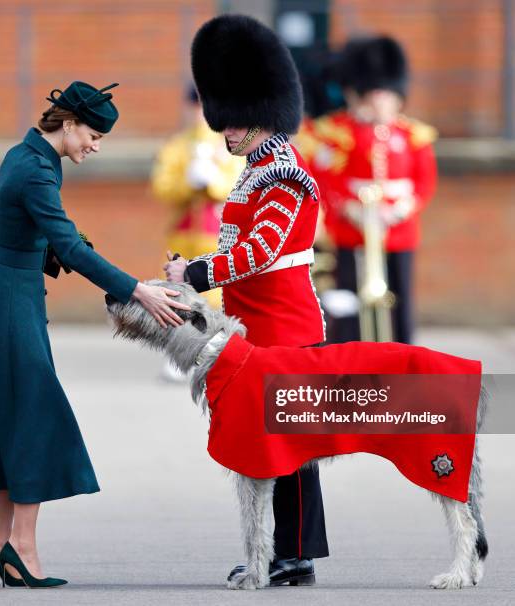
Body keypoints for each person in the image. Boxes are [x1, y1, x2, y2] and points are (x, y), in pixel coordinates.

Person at [0, 81, 190, 588]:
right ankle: (20, 545)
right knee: (34, 421)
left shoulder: (26, 157)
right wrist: (137, 292)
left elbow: (1, 226)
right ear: (66, 125)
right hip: (11, 304)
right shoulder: (37, 168)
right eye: (92, 134)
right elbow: (66, 242)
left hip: (3, 295)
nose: (96, 145)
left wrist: (46, 249)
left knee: (10, 420)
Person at [165, 15, 329, 586]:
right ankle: (275, 550)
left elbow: (260, 251)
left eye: (233, 121)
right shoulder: (255, 169)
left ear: (262, 113)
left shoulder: (284, 175)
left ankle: (298, 555)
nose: (225, 132)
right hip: (251, 324)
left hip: (284, 325)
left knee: (294, 448)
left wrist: (196, 271)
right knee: (264, 443)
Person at [298, 36, 437, 344]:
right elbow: (325, 178)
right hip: (353, 229)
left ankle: (402, 356)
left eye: (387, 94)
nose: (382, 101)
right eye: (376, 93)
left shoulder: (413, 135)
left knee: (399, 297)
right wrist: (348, 208)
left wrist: (401, 209)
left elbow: (424, 182)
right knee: (350, 298)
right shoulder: (340, 132)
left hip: (397, 230)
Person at [151, 85, 244, 380]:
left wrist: (214, 182)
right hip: (185, 232)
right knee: (181, 294)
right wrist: (188, 182)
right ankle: (182, 353)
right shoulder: (178, 146)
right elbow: (162, 186)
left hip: (217, 232)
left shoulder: (232, 146)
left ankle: (218, 353)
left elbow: (239, 186)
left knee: (217, 297)